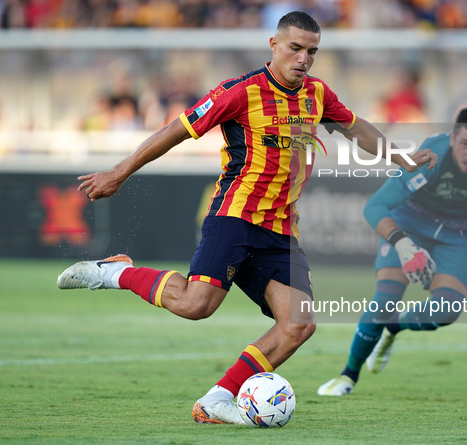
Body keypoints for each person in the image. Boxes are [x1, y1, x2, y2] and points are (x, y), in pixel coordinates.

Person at [56, 11, 437, 424]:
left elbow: (356, 128)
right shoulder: (239, 92)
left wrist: (400, 157)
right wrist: (119, 172)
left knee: (298, 325)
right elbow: (176, 130)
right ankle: (117, 273)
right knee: (195, 305)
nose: (304, 59)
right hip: (235, 217)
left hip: (281, 231)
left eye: (312, 51)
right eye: (295, 48)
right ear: (274, 46)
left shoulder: (317, 94)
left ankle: (218, 398)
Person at [318, 107, 467, 396]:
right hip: (411, 223)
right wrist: (404, 244)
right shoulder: (433, 155)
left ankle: (394, 327)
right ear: (453, 139)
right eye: (465, 144)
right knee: (384, 299)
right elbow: (375, 206)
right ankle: (347, 376)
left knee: (447, 311)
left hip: (460, 234)